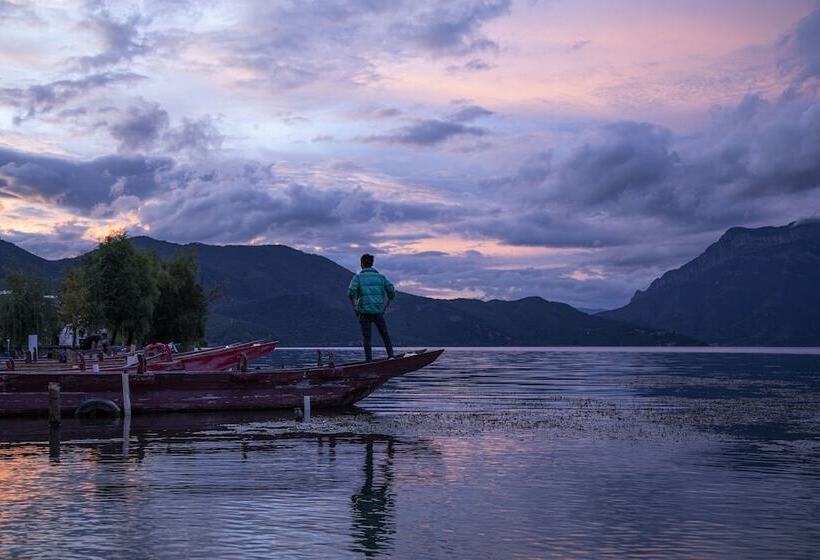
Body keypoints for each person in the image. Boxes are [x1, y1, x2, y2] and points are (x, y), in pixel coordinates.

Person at [348, 253, 396, 362]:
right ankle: (391, 356)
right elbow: (392, 292)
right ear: (372, 264)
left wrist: (355, 307)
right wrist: (386, 305)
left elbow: (351, 293)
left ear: (361, 265)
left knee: (367, 338)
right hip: (378, 311)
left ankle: (369, 361)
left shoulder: (357, 278)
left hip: (363, 312)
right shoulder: (381, 278)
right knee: (385, 335)